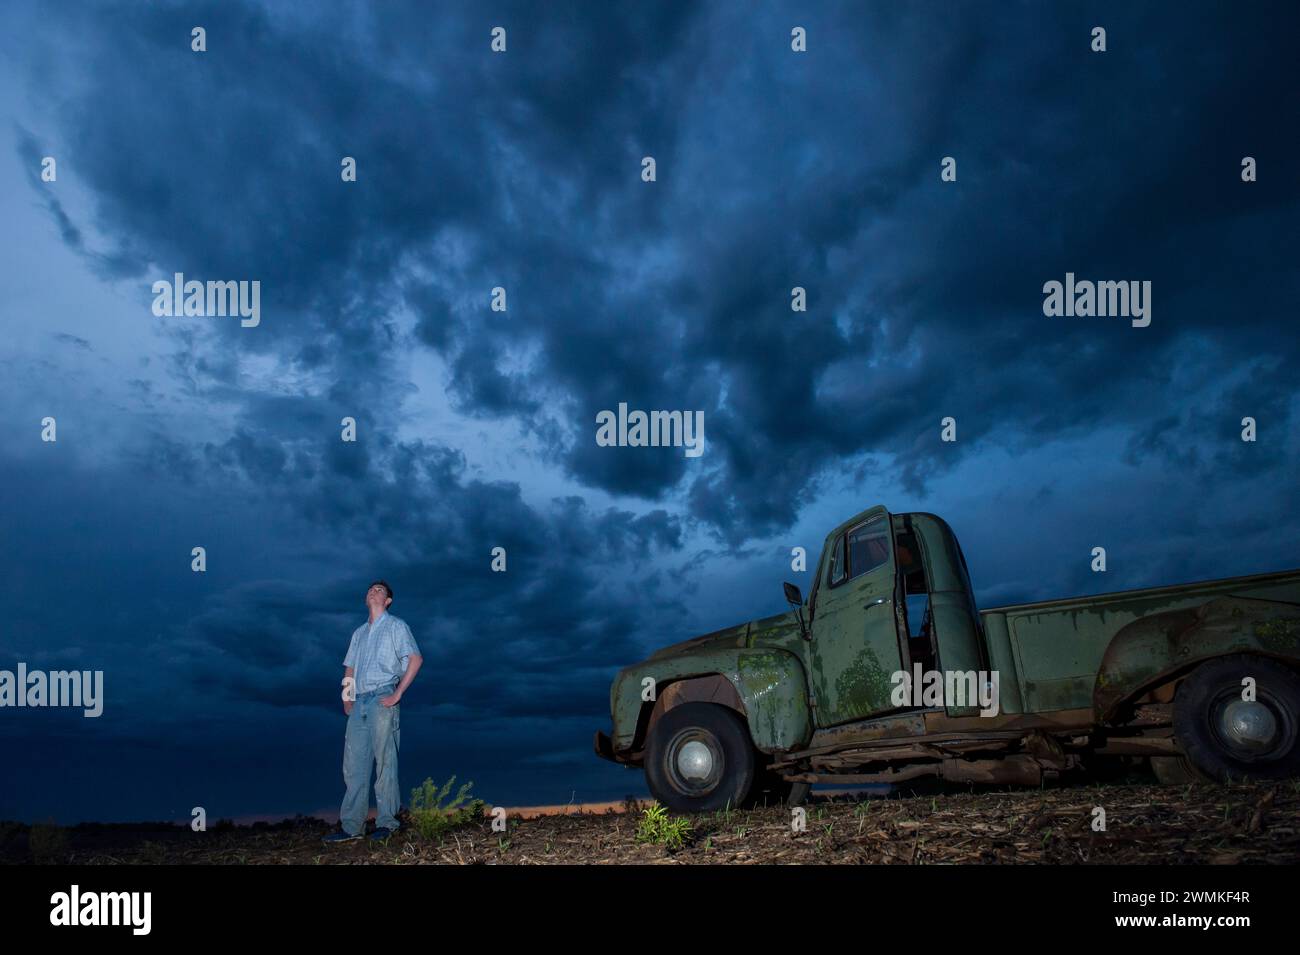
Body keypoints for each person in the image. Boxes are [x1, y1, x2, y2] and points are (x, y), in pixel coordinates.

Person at [322, 580, 422, 843]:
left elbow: (415, 658)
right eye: (370, 589)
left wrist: (398, 693)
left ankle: (387, 823)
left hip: (382, 695)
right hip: (359, 702)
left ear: (388, 600)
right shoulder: (359, 633)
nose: (373, 591)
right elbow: (350, 668)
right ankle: (352, 827)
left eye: (380, 590)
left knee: (385, 762)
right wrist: (347, 698)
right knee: (354, 766)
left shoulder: (396, 626)